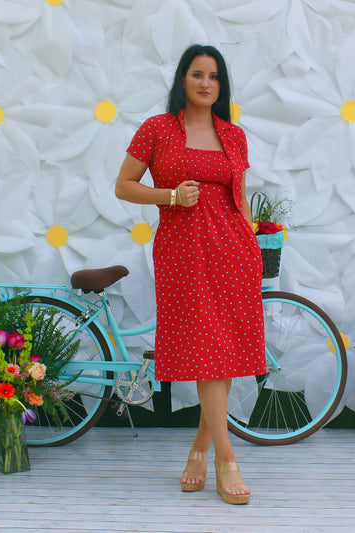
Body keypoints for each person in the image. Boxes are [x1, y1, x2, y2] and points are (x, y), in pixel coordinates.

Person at [115, 44, 266, 505]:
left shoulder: (234, 135)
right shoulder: (157, 129)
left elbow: (238, 195)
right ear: (183, 79)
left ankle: (200, 449)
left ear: (221, 85)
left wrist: (253, 247)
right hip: (183, 252)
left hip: (233, 250)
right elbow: (123, 185)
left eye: (214, 76)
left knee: (220, 354)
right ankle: (226, 456)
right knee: (207, 348)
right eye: (197, 74)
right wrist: (169, 198)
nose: (205, 83)